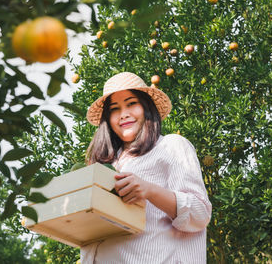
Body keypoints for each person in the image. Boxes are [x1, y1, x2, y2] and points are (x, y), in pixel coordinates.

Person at [81, 72, 212, 263]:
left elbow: (199, 214)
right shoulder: (107, 165)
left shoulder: (170, 146)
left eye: (131, 103)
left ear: (146, 107)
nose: (124, 114)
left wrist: (150, 190)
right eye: (115, 109)